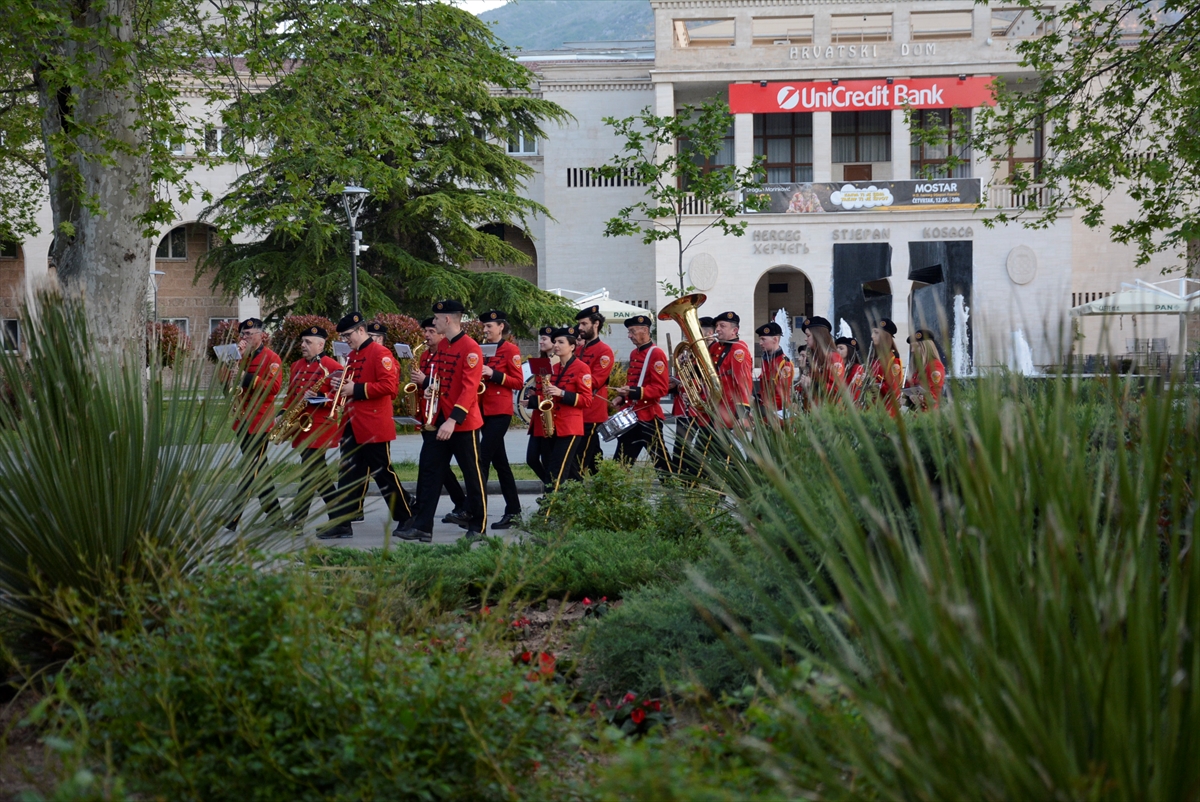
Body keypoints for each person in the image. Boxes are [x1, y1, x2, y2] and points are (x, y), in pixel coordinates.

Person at [396, 299, 486, 543]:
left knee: (472, 474)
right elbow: (442, 380)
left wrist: (452, 421)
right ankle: (423, 526)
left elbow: (469, 389)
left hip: (461, 423)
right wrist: (430, 389)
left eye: (436, 319)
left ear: (447, 319)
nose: (433, 323)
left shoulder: (471, 348)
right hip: (438, 418)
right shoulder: (443, 345)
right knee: (429, 471)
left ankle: (478, 526)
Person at [319, 311, 413, 540]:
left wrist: (357, 389)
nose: (346, 340)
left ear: (361, 330)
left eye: (348, 335)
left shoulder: (381, 353)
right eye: (343, 337)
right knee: (347, 474)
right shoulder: (353, 355)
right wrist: (341, 384)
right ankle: (342, 523)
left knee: (383, 474)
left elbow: (390, 387)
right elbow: (353, 383)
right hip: (352, 422)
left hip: (373, 425)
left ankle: (407, 516)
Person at [282, 325, 344, 526]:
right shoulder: (296, 365)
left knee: (310, 470)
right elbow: (291, 394)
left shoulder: (333, 366)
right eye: (302, 341)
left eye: (308, 342)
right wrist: (283, 413)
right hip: (300, 425)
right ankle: (339, 516)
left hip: (320, 426)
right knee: (317, 473)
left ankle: (298, 520)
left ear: (321, 345)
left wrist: (320, 396)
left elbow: (339, 399)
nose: (303, 345)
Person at [409, 317, 468, 524]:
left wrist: (425, 381)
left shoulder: (454, 350)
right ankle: (424, 521)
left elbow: (452, 384)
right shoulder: (426, 355)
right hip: (431, 414)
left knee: (465, 470)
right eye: (425, 331)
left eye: (431, 331)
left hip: (450, 417)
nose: (426, 335)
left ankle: (470, 512)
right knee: (432, 465)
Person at [226, 317, 283, 530]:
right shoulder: (239, 357)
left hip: (259, 421)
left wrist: (246, 377)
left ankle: (233, 517)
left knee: (252, 469)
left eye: (249, 334)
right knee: (260, 468)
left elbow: (274, 387)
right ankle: (276, 515)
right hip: (242, 419)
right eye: (243, 334)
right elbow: (226, 385)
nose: (245, 338)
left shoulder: (272, 358)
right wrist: (231, 364)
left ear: (261, 335)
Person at [477, 310, 524, 530]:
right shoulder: (480, 348)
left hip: (500, 411)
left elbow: (518, 382)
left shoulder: (510, 350)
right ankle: (513, 511)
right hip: (483, 410)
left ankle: (475, 510)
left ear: (501, 327)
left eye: (489, 326)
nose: (485, 330)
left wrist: (493, 373)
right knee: (501, 464)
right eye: (484, 326)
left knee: (482, 459)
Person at [612, 315, 670, 470]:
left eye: (632, 331)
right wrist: (621, 397)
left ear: (645, 330)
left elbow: (661, 388)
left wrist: (632, 392)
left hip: (648, 415)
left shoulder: (656, 353)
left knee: (661, 461)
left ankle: (673, 484)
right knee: (621, 460)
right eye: (629, 332)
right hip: (632, 415)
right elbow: (634, 383)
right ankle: (613, 485)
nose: (629, 336)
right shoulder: (634, 353)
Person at [543, 325, 593, 490]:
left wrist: (562, 393)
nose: (556, 345)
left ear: (572, 346)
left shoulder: (582, 367)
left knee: (556, 470)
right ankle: (577, 501)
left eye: (561, 342)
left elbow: (587, 400)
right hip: (555, 426)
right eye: (555, 342)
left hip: (570, 427)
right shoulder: (555, 368)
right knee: (568, 471)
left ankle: (549, 504)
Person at [669, 315, 714, 474]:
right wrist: (675, 382)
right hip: (684, 406)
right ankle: (681, 475)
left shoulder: (711, 354)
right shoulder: (690, 354)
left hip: (700, 406)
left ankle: (690, 476)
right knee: (680, 445)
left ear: (709, 334)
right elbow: (682, 379)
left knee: (696, 447)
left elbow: (709, 380)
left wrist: (689, 386)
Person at [574, 305, 614, 475]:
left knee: (580, 458)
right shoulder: (579, 349)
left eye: (584, 324)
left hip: (592, 411)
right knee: (593, 455)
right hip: (579, 409)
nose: (580, 328)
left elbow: (596, 381)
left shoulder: (604, 351)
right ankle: (602, 484)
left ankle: (576, 487)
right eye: (580, 324)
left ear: (596, 324)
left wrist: (570, 383)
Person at [525, 326, 557, 487]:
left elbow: (552, 392)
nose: (541, 342)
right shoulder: (543, 360)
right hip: (539, 416)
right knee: (531, 459)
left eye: (544, 339)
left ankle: (552, 492)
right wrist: (532, 392)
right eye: (541, 339)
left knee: (547, 459)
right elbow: (540, 386)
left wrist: (532, 401)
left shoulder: (556, 362)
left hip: (549, 415)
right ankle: (551, 488)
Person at [799, 317, 845, 406]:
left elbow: (836, 389)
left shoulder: (834, 358)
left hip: (830, 410)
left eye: (808, 336)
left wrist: (812, 384)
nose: (805, 339)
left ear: (818, 336)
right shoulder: (816, 357)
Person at [755, 321, 793, 418]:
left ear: (775, 339)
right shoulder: (766, 360)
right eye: (760, 339)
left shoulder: (784, 363)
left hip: (779, 415)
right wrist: (756, 398)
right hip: (766, 414)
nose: (760, 343)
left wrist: (762, 410)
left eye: (763, 339)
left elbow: (781, 395)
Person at [867, 318, 904, 418]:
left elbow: (893, 389)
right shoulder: (875, 359)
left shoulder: (893, 360)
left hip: (887, 411)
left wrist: (874, 383)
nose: (872, 336)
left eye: (876, 332)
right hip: (873, 409)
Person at [905, 329, 946, 410]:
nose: (912, 350)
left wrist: (919, 398)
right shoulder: (919, 367)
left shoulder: (935, 366)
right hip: (917, 413)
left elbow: (934, 396)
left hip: (928, 414)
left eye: (916, 346)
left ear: (926, 347)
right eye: (912, 347)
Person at [836, 335, 867, 405]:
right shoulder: (836, 366)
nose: (837, 350)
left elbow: (855, 392)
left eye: (841, 348)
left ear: (849, 351)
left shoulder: (857, 368)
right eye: (836, 348)